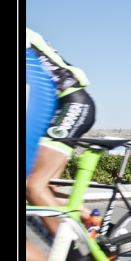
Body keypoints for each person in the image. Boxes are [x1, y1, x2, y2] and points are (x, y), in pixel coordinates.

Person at [25, 38, 119, 261]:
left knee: (33, 184)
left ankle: (77, 256)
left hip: (69, 99)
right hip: (52, 99)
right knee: (36, 187)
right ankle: (81, 221)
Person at [25, 27, 96, 238]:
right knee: (43, 189)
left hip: (71, 103)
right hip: (60, 108)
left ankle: (69, 255)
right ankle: (91, 220)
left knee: (33, 186)